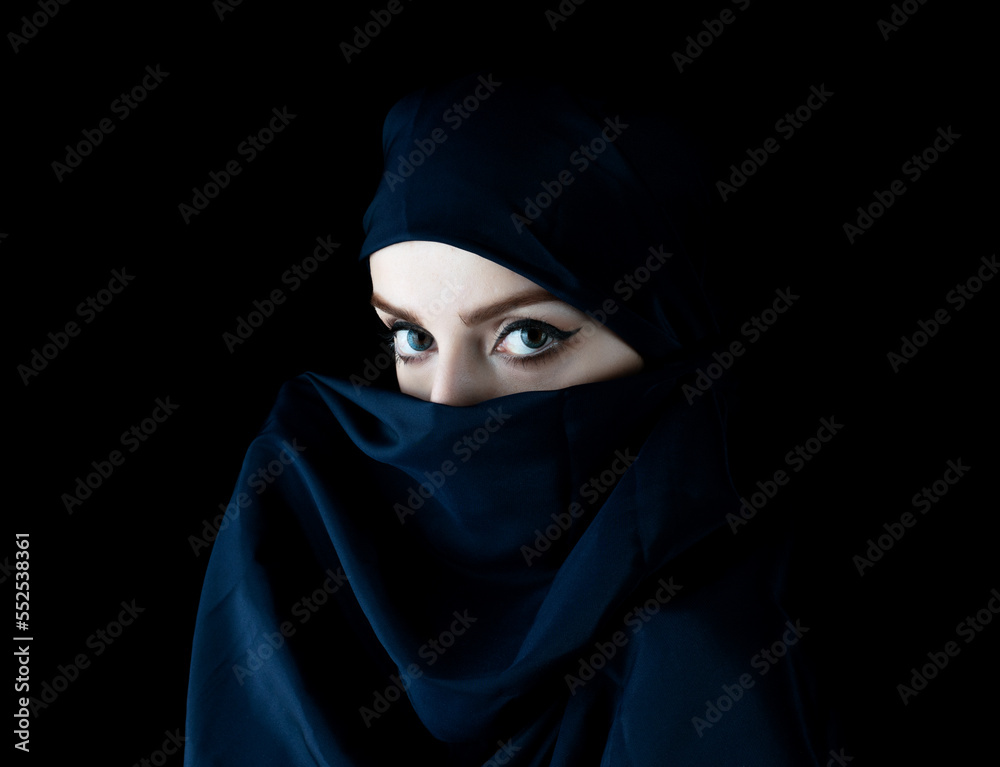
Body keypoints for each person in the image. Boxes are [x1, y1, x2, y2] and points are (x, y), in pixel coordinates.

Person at [184, 72, 835, 765]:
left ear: (677, 336)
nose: (443, 407)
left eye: (527, 335)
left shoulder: (738, 659)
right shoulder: (298, 563)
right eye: (413, 338)